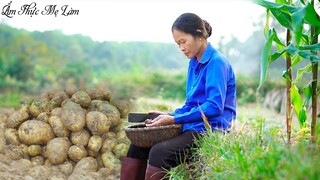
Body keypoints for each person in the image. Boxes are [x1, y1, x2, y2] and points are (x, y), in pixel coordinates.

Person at [120, 12, 236, 180]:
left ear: (199, 34)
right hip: (193, 126)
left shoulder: (217, 62)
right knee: (137, 145)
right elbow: (191, 105)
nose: (181, 48)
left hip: (212, 129)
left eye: (183, 42)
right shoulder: (193, 63)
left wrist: (174, 120)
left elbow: (214, 107)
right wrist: (169, 115)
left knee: (159, 152)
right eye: (177, 44)